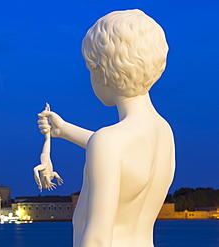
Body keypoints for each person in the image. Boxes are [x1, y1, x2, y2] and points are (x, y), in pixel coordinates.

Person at [38, 9, 175, 247]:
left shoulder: (109, 141)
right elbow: (124, 157)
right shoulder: (163, 132)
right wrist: (65, 130)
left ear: (103, 72)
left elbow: (98, 238)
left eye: (90, 69)